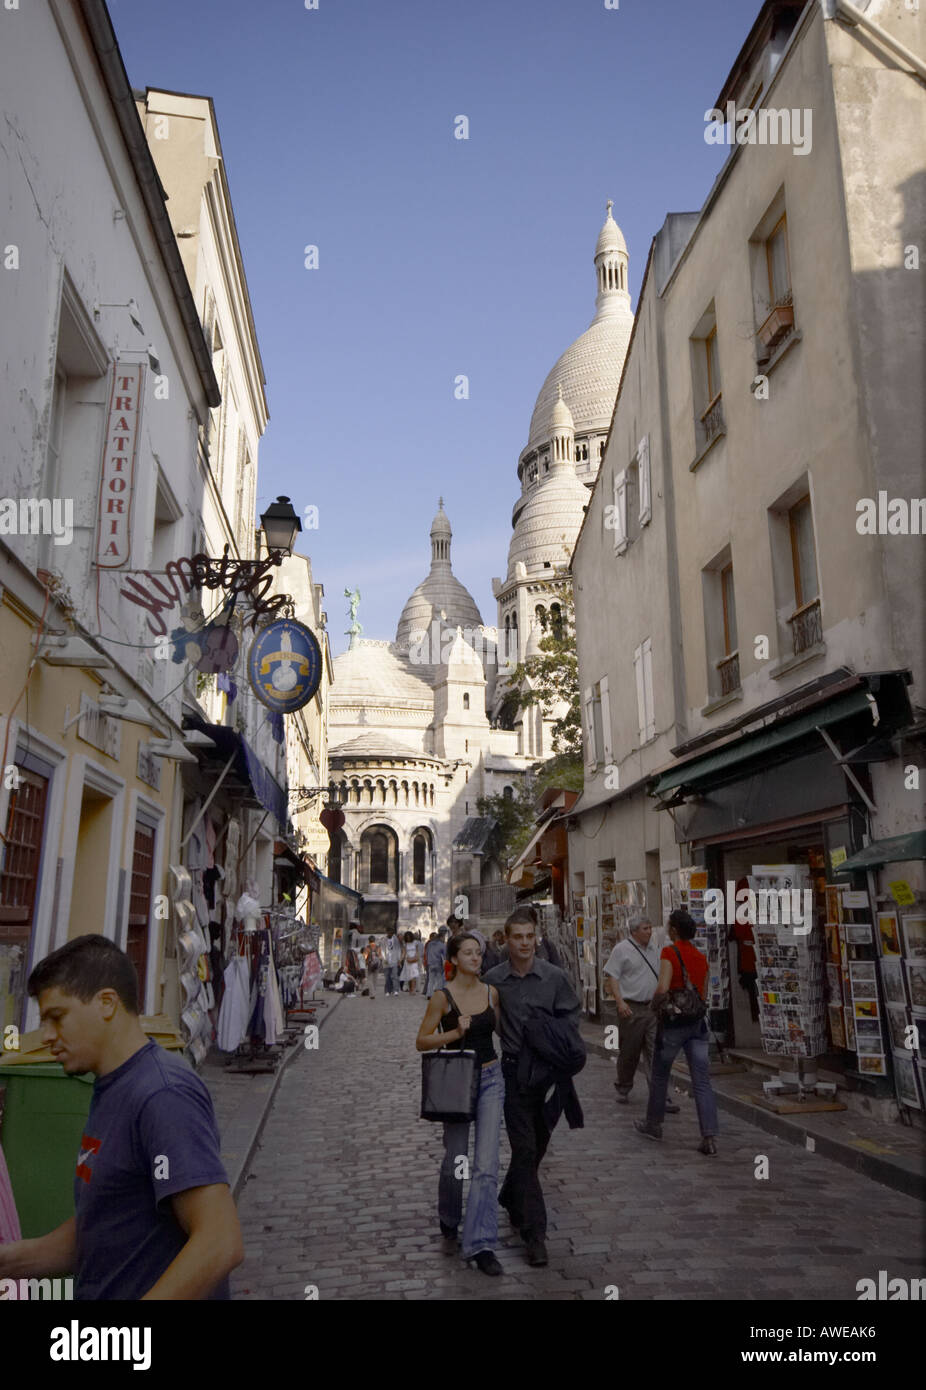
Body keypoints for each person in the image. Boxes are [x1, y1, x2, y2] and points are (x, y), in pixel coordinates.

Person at [0, 935, 242, 1300]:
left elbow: (219, 1241)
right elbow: (105, 1226)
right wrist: (11, 1261)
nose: (46, 1036)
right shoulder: (112, 1086)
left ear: (107, 1004)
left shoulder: (162, 1095)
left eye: (57, 1017)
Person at [484, 907, 581, 1268]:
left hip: (549, 1075)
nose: (525, 943)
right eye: (517, 937)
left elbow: (571, 1015)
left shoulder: (554, 977)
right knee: (524, 1149)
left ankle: (510, 1195)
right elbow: (490, 1019)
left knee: (537, 1148)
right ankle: (535, 1234)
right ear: (506, 940)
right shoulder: (494, 978)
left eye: (529, 936)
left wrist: (551, 1037)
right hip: (513, 1074)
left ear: (536, 937)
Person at [416, 933, 503, 1277]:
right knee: (456, 1160)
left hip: (492, 1079)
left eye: (478, 953)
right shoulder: (442, 997)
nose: (476, 958)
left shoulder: (491, 993)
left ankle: (481, 1243)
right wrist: (453, 1033)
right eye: (468, 953)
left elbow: (503, 1030)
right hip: (457, 1083)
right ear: (453, 958)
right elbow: (421, 1041)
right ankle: (449, 1216)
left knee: (485, 1166)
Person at [634, 909, 720, 1154]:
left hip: (673, 1024)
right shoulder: (701, 957)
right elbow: (703, 992)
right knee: (702, 1081)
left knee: (660, 1075)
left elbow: (662, 987)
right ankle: (709, 1137)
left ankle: (653, 1125)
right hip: (697, 1024)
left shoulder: (669, 952)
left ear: (673, 930)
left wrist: (655, 1007)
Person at [603, 917, 679, 1112]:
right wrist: (619, 1002)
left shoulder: (655, 949)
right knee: (630, 1052)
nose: (649, 931)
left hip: (653, 1008)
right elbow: (613, 976)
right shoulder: (621, 949)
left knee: (656, 1053)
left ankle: (660, 1094)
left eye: (650, 927)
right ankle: (624, 1086)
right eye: (645, 928)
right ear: (634, 931)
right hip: (632, 1008)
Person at [424, 929, 447, 998]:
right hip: (438, 963)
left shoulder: (430, 944)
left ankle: (429, 994)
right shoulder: (442, 945)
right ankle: (438, 993)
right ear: (441, 937)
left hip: (430, 963)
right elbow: (445, 955)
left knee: (431, 980)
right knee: (439, 979)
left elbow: (427, 953)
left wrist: (427, 962)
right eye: (444, 938)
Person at [382, 927, 402, 998]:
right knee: (387, 977)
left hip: (394, 960)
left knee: (395, 976)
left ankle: (396, 990)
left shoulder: (395, 939)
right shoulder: (384, 940)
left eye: (392, 933)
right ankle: (387, 990)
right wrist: (384, 959)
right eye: (389, 932)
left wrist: (399, 959)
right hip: (386, 961)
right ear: (387, 932)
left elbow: (398, 949)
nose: (390, 934)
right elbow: (382, 950)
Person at [400, 931, 422, 995]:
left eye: (409, 937)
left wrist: (417, 957)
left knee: (413, 976)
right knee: (409, 976)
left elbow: (417, 951)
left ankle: (413, 990)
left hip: (414, 960)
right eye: (407, 937)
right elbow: (404, 953)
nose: (408, 938)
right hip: (408, 961)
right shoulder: (405, 944)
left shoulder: (415, 943)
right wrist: (400, 959)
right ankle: (410, 989)